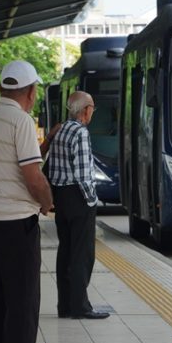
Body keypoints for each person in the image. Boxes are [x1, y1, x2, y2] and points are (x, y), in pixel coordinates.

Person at [0, 60, 54, 343]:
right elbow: (33, 176)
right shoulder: (21, 122)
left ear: (0, 87)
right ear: (31, 92)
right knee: (23, 304)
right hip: (16, 223)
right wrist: (47, 202)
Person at [44, 91, 109, 319]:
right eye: (92, 107)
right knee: (82, 255)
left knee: (66, 251)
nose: (93, 111)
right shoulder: (80, 132)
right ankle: (81, 306)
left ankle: (65, 305)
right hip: (78, 198)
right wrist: (91, 201)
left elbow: (52, 166)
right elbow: (82, 174)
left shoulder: (61, 130)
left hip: (62, 197)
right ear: (85, 110)